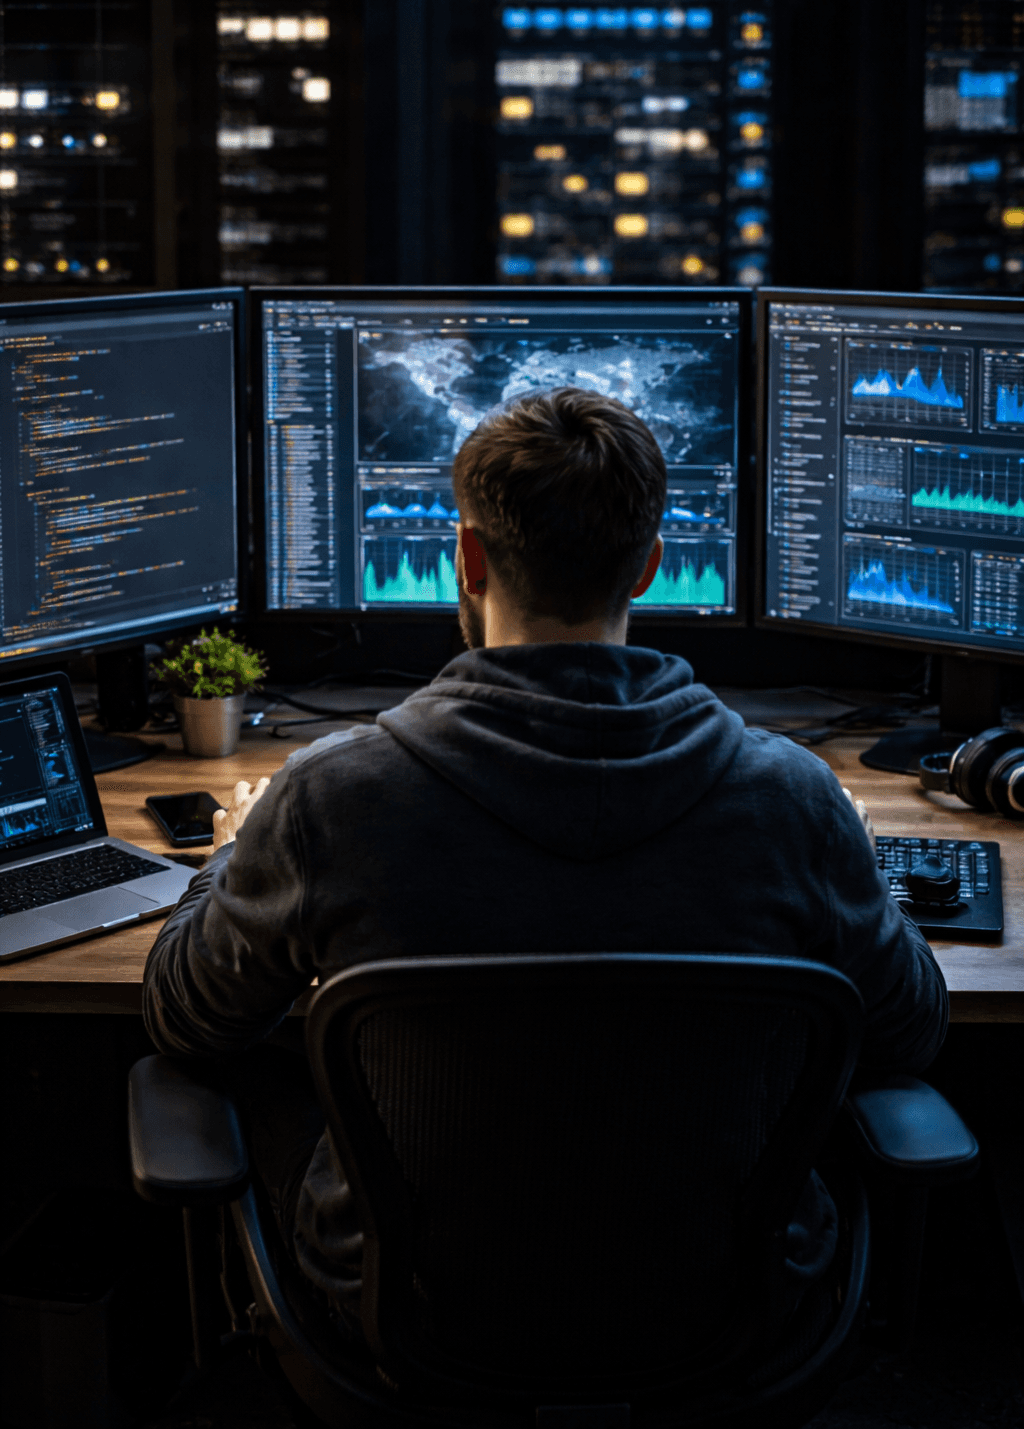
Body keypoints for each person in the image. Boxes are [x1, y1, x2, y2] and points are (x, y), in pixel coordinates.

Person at [143, 387, 947, 1349]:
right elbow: (912, 1033)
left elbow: (186, 1021)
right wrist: (858, 861)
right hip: (720, 1307)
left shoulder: (329, 799)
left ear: (469, 560)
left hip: (411, 1314)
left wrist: (236, 852)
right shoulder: (794, 800)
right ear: (650, 567)